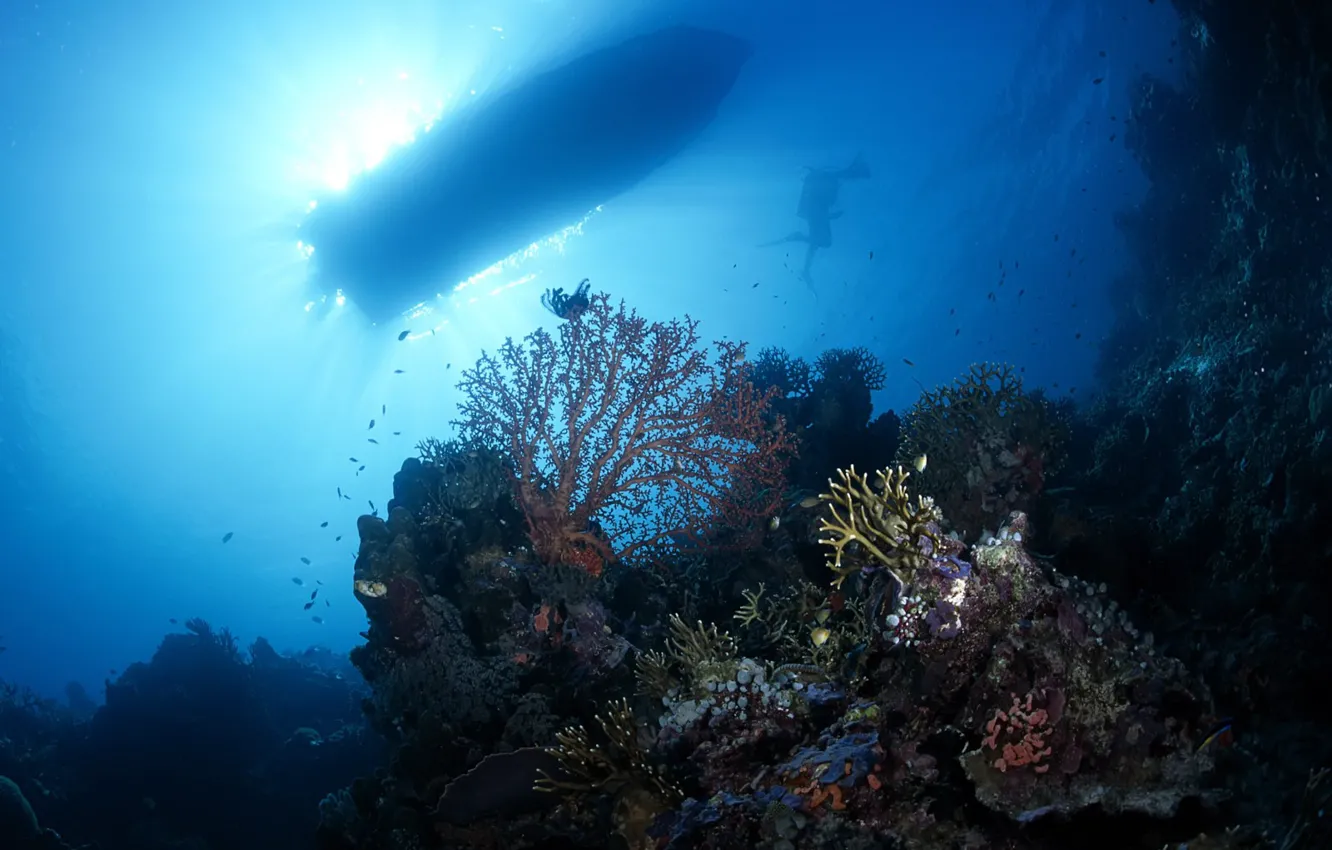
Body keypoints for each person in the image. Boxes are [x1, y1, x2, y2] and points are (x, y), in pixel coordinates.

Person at [762, 154, 871, 286]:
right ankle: (798, 239)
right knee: (824, 242)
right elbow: (843, 175)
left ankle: (805, 269)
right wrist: (858, 171)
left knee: (819, 241)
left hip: (815, 212)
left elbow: (821, 200)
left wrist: (830, 216)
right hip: (816, 211)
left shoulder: (818, 182)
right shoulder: (826, 178)